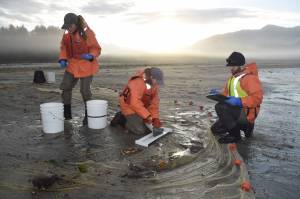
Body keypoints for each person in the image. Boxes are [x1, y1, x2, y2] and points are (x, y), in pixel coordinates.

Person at [210, 52, 263, 144]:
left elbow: (257, 98)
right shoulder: (233, 78)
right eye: (230, 67)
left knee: (220, 106)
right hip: (235, 111)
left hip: (246, 113)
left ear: (241, 66)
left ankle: (236, 136)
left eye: (233, 67)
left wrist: (240, 101)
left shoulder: (249, 78)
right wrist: (218, 94)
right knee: (215, 130)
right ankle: (239, 127)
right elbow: (226, 93)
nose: (231, 69)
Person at [58, 13, 101, 125]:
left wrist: (91, 55)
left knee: (85, 91)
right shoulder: (67, 33)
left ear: (76, 24)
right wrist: (63, 58)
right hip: (72, 63)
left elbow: (96, 48)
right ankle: (67, 115)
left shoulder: (87, 32)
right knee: (65, 87)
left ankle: (88, 116)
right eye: (66, 26)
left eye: (70, 26)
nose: (68, 28)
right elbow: (63, 47)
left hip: (87, 64)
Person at [110, 67, 164, 135]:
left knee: (148, 127)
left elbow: (154, 103)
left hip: (141, 106)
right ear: (151, 77)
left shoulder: (154, 85)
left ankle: (138, 117)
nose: (157, 83)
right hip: (128, 106)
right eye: (156, 80)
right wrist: (147, 116)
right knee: (140, 130)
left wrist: (155, 118)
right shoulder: (137, 82)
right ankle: (121, 118)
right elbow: (134, 103)